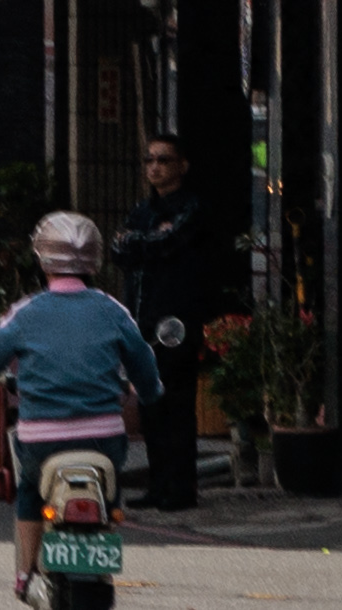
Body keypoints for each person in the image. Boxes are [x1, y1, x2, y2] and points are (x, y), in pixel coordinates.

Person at [0, 211, 162, 608]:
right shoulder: (112, 309)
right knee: (111, 492)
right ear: (95, 259)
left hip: (41, 442)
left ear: (43, 259)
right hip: (104, 439)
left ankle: (24, 576)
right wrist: (150, 391)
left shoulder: (26, 311)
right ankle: (106, 528)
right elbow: (144, 364)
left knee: (31, 495)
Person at [108, 133, 242, 512]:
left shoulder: (192, 208)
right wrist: (144, 240)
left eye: (163, 160)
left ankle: (181, 488)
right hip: (143, 318)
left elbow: (165, 245)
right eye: (150, 160)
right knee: (151, 404)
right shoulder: (142, 210)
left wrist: (143, 242)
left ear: (182, 165)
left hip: (176, 322)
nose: (155, 167)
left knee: (177, 405)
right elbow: (120, 250)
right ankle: (159, 483)